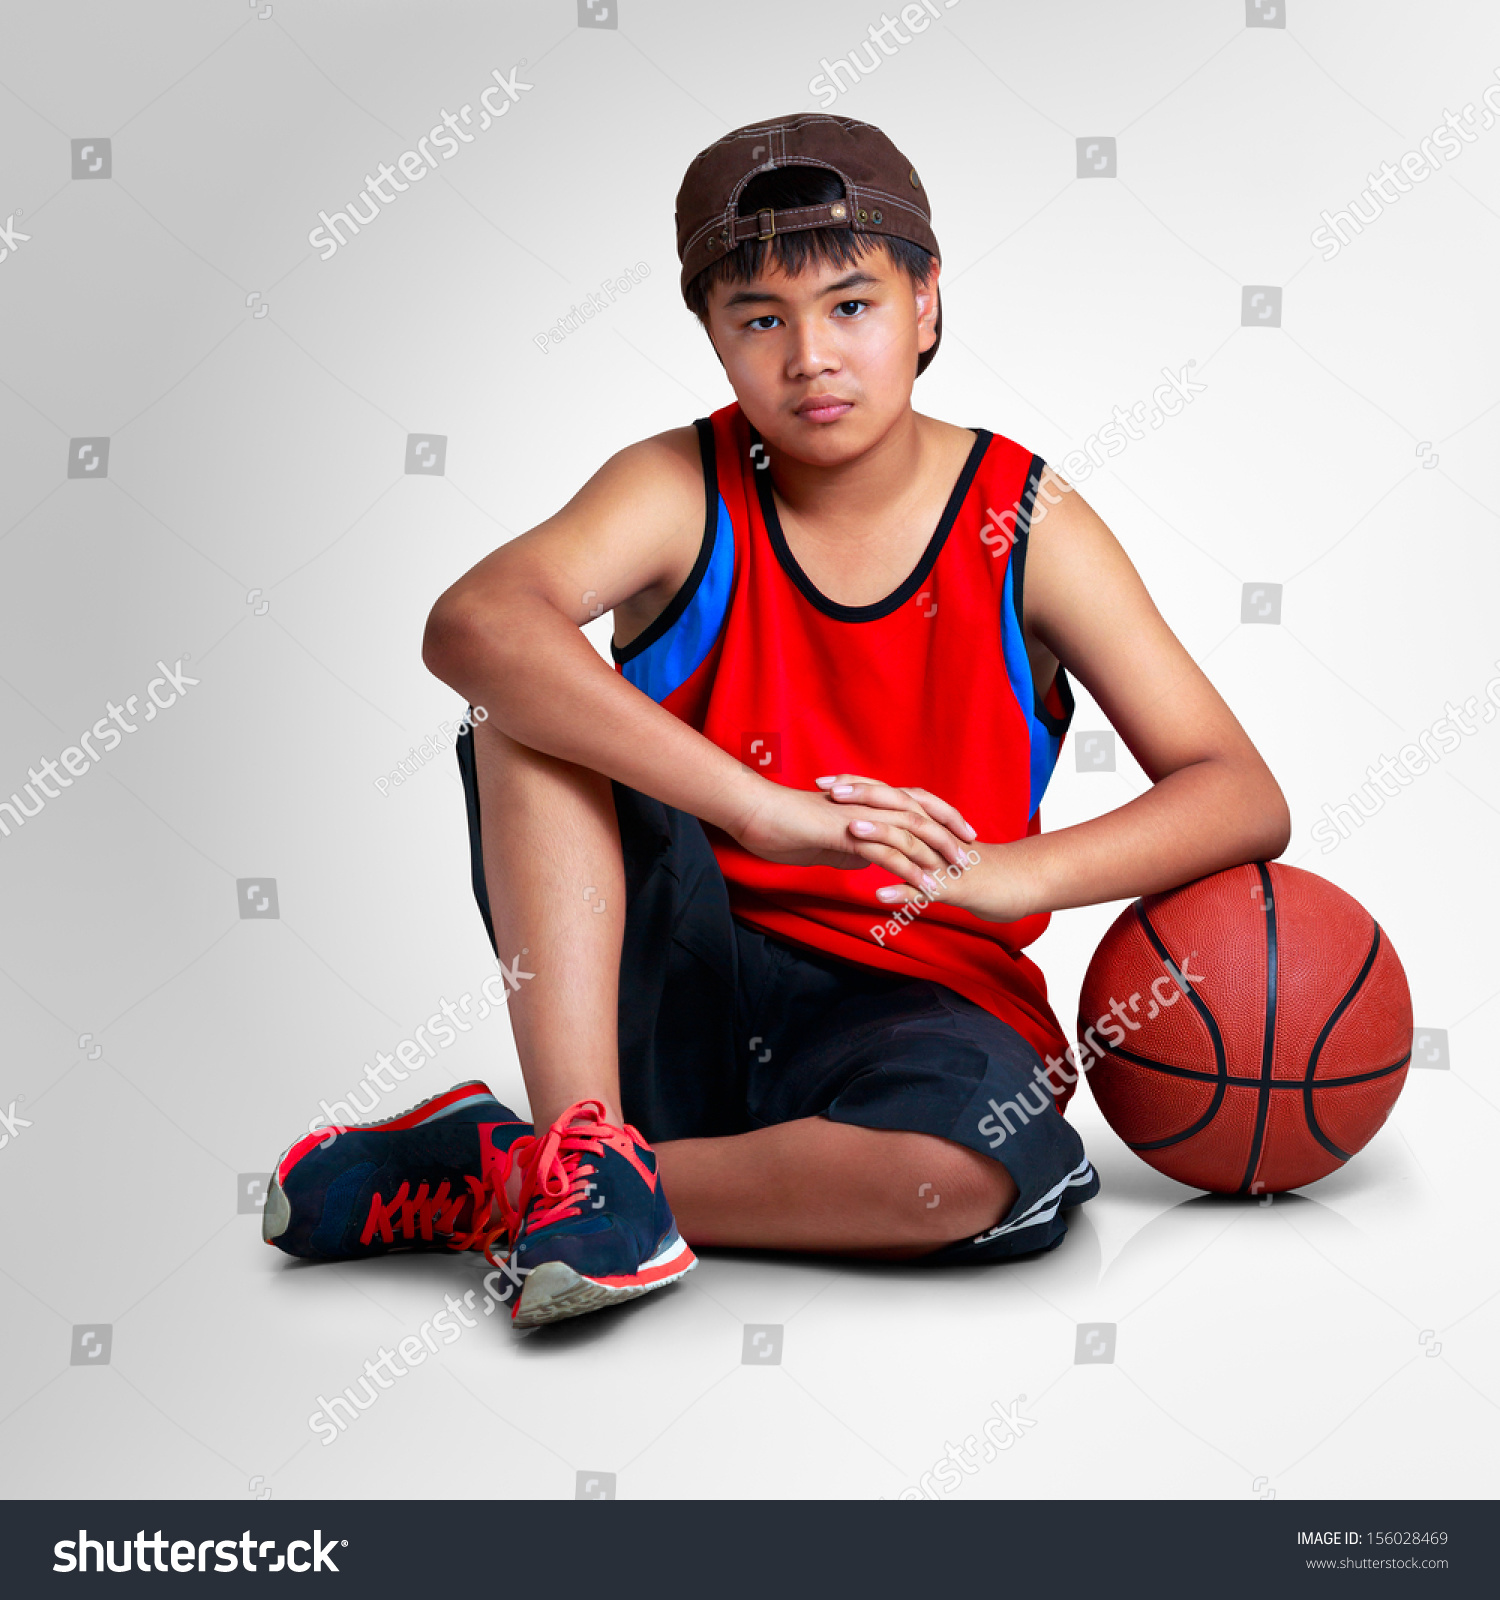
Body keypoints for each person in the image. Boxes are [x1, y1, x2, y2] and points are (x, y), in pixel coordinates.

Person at [264, 114, 1290, 1329]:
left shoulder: (1026, 518)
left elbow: (1239, 791)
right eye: (762, 318)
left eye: (851, 304)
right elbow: (472, 622)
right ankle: (587, 1144)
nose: (811, 357)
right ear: (712, 333)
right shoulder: (678, 485)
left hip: (916, 1000)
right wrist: (761, 808)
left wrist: (1020, 879)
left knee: (961, 1177)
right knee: (521, 694)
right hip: (676, 978)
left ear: (926, 302)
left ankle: (518, 1179)